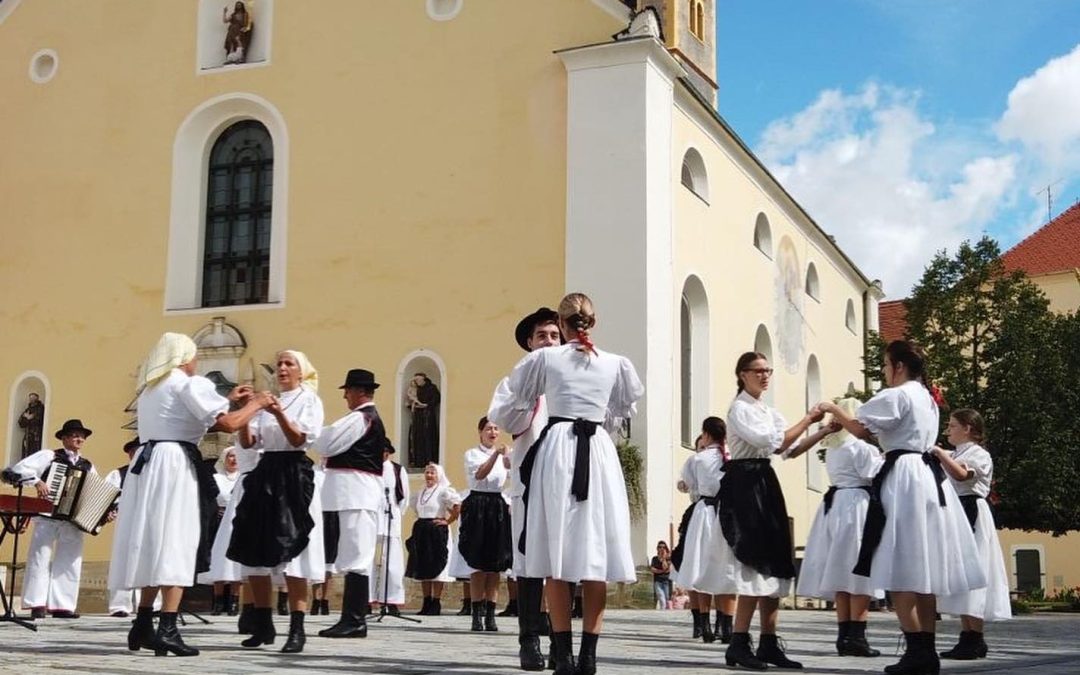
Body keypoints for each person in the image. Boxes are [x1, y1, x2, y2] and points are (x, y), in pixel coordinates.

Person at [818, 340, 986, 675]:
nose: (883, 372)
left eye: (884, 366)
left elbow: (861, 429)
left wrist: (835, 409)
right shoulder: (926, 397)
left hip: (904, 477)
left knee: (899, 564)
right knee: (923, 569)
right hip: (927, 477)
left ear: (897, 366)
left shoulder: (898, 395)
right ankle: (926, 649)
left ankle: (916, 649)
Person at [501, 292, 644, 675]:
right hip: (597, 450)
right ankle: (589, 656)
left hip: (559, 448)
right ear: (593, 323)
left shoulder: (545, 358)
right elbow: (619, 413)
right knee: (594, 554)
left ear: (562, 326)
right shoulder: (615, 364)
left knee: (556, 552)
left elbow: (520, 399)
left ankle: (561, 653)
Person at [109, 332, 269, 657]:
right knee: (177, 540)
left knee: (154, 540)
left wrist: (229, 398)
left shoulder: (151, 389)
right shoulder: (187, 383)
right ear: (184, 358)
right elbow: (226, 424)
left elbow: (185, 420)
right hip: (175, 465)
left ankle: (142, 624)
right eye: (194, 356)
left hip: (150, 462)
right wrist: (256, 404)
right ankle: (167, 627)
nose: (196, 362)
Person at [720, 351, 824, 670]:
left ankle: (768, 641)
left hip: (764, 479)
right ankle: (738, 642)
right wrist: (807, 419)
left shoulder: (767, 410)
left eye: (768, 371)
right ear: (742, 374)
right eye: (758, 371)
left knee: (777, 560)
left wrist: (822, 431)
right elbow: (768, 441)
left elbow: (787, 449)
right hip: (745, 483)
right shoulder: (739, 408)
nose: (765, 376)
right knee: (754, 560)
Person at [227, 350, 326, 653]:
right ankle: (262, 620)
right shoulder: (265, 398)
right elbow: (247, 442)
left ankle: (297, 627)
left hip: (293, 472)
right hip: (264, 470)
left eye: (288, 364)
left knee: (293, 549)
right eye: (279, 364)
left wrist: (279, 413)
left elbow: (299, 440)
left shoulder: (309, 399)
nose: (282, 368)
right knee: (254, 546)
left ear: (301, 371)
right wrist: (246, 410)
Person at [488, 305, 562, 671]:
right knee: (530, 559)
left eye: (554, 335)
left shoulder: (572, 380)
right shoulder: (513, 381)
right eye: (541, 337)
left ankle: (560, 637)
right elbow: (506, 419)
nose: (548, 342)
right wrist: (531, 390)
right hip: (529, 481)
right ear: (529, 344)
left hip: (564, 483)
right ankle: (528, 638)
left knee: (562, 558)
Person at [791, 398, 885, 658]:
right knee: (859, 570)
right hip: (857, 505)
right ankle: (857, 635)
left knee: (841, 574)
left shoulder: (833, 447)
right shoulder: (861, 448)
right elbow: (872, 474)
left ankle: (843, 635)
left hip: (834, 506)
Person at [312, 368, 387, 639]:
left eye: (347, 390)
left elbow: (328, 442)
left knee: (357, 556)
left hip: (358, 493)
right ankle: (351, 617)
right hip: (354, 494)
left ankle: (354, 619)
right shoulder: (363, 418)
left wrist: (309, 429)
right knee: (353, 554)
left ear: (358, 391)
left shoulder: (361, 418)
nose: (344, 395)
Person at [934, 409, 1011, 660]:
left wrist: (939, 453)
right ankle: (968, 636)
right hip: (957, 510)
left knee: (974, 571)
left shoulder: (979, 454)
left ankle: (974, 637)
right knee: (962, 572)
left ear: (967, 428)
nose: (948, 430)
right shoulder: (957, 453)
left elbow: (962, 474)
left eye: (953, 426)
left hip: (972, 510)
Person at [7, 419, 98, 619]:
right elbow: (19, 469)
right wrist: (38, 481)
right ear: (64, 438)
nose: (79, 438)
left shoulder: (87, 466)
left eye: (81, 436)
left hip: (72, 520)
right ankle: (36, 603)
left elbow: (95, 491)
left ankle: (62, 606)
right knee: (40, 558)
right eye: (74, 435)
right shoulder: (49, 456)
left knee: (70, 560)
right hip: (47, 514)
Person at [670, 417, 734, 645]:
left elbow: (687, 484)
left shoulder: (698, 459)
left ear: (706, 434)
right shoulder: (731, 457)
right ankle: (726, 626)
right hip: (727, 514)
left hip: (705, 513)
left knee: (701, 566)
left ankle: (705, 625)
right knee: (724, 568)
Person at [459, 417, 513, 632]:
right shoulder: (472, 454)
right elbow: (480, 475)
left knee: (496, 563)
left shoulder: (504, 454)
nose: (493, 432)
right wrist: (496, 457)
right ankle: (476, 613)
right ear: (480, 432)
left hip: (497, 503)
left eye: (495, 428)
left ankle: (491, 614)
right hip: (478, 503)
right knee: (478, 561)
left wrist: (509, 461)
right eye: (488, 428)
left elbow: (512, 476)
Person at [105, 438, 159, 618]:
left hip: (150, 519)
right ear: (130, 454)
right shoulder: (119, 474)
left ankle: (153, 604)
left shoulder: (155, 473)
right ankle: (120, 605)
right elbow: (106, 496)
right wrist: (110, 510)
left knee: (151, 557)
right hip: (127, 518)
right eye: (136, 451)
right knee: (123, 557)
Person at [405, 462, 461, 615]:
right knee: (423, 566)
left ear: (438, 476)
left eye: (432, 473)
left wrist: (447, 521)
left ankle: (436, 602)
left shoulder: (444, 491)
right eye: (427, 473)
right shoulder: (421, 492)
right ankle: (426, 601)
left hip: (437, 530)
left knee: (437, 565)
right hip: (423, 529)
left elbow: (457, 507)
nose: (429, 475)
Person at [372, 442, 409, 614]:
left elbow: (404, 497)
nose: (384, 454)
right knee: (368, 559)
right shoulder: (369, 466)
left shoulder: (397, 469)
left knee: (392, 561)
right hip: (371, 516)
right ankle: (367, 598)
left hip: (390, 516)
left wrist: (396, 513)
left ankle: (392, 600)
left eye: (386, 452)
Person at [207, 447, 241, 616]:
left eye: (236, 456)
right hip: (219, 521)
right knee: (218, 558)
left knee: (236, 560)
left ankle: (234, 601)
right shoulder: (216, 478)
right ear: (224, 458)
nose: (233, 459)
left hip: (238, 522)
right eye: (230, 456)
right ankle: (218, 601)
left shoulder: (243, 478)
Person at [407, 373, 441, 467]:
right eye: (416, 380)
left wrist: (426, 405)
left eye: (418, 380)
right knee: (417, 438)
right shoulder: (416, 389)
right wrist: (412, 405)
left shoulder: (431, 388)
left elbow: (436, 399)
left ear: (424, 379)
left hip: (428, 416)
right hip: (417, 417)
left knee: (428, 438)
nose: (417, 382)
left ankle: (429, 460)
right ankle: (418, 462)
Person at [17, 392, 45, 459]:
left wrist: (31, 418)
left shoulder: (40, 408)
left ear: (37, 398)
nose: (31, 399)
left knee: (35, 451)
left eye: (33, 398)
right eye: (30, 398)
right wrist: (28, 418)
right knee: (26, 451)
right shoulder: (27, 410)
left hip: (36, 434)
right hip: (28, 434)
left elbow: (40, 420)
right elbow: (21, 422)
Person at [650, 542, 672, 609]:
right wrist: (662, 571)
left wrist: (664, 559)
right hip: (658, 581)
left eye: (663, 547)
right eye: (660, 547)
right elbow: (653, 569)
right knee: (662, 600)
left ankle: (666, 615)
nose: (661, 548)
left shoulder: (668, 559)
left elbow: (667, 569)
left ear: (666, 549)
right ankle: (663, 615)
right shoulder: (654, 558)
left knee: (667, 599)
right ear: (657, 548)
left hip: (667, 581)